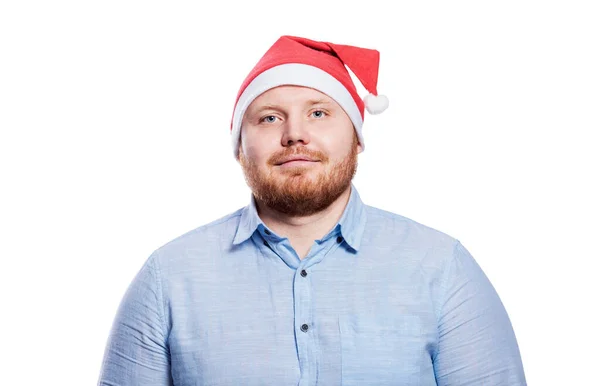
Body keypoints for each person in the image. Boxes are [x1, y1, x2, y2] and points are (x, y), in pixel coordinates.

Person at [97, 35, 527, 385]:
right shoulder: (168, 278)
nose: (295, 135)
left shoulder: (442, 269)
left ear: (357, 137)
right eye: (268, 118)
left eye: (319, 113)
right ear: (239, 147)